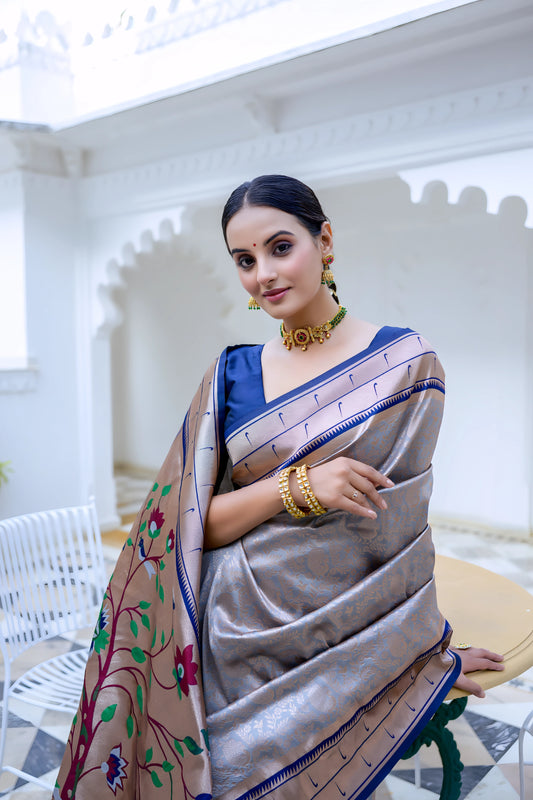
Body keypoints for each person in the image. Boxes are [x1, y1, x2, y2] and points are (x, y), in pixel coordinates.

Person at [54, 175, 503, 800]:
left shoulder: (405, 364)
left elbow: (395, 536)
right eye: (244, 260)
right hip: (217, 644)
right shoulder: (229, 373)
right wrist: (298, 486)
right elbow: (190, 527)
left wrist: (422, 647)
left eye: (280, 247)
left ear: (326, 242)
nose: (263, 274)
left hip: (339, 650)